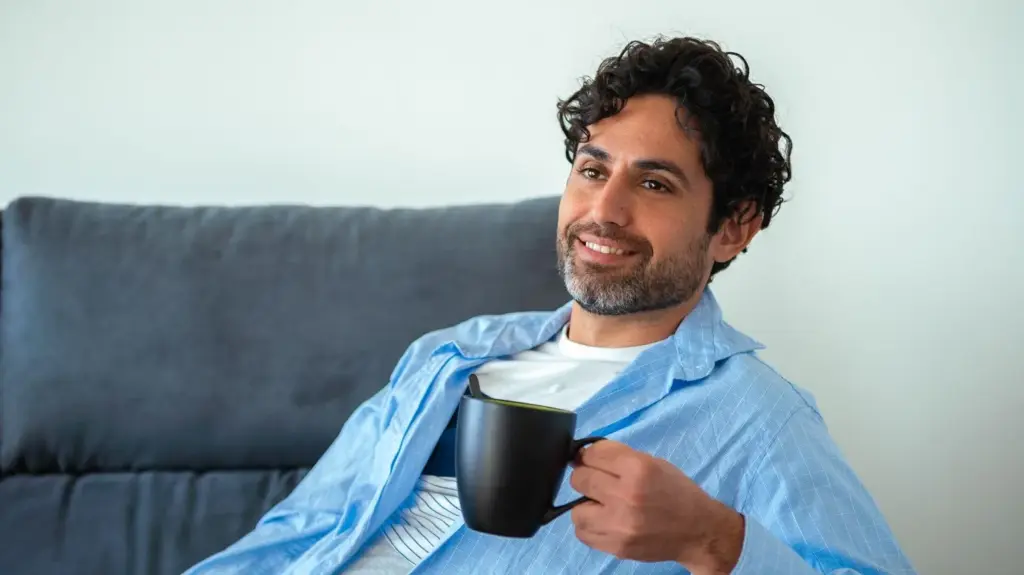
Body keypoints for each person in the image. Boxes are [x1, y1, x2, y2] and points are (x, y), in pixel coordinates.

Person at [186, 36, 915, 574]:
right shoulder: (452, 354)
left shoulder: (756, 419)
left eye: (654, 184)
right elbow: (300, 529)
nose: (604, 209)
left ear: (733, 225)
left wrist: (714, 540)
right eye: (592, 169)